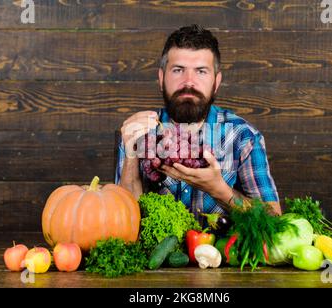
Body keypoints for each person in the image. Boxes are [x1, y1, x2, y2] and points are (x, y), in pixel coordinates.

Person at [115, 24, 281, 223]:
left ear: (216, 82)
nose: (189, 82)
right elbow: (121, 221)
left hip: (221, 253)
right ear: (161, 78)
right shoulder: (138, 132)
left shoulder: (243, 136)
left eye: (201, 71)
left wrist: (219, 190)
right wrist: (132, 157)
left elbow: (274, 220)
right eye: (178, 70)